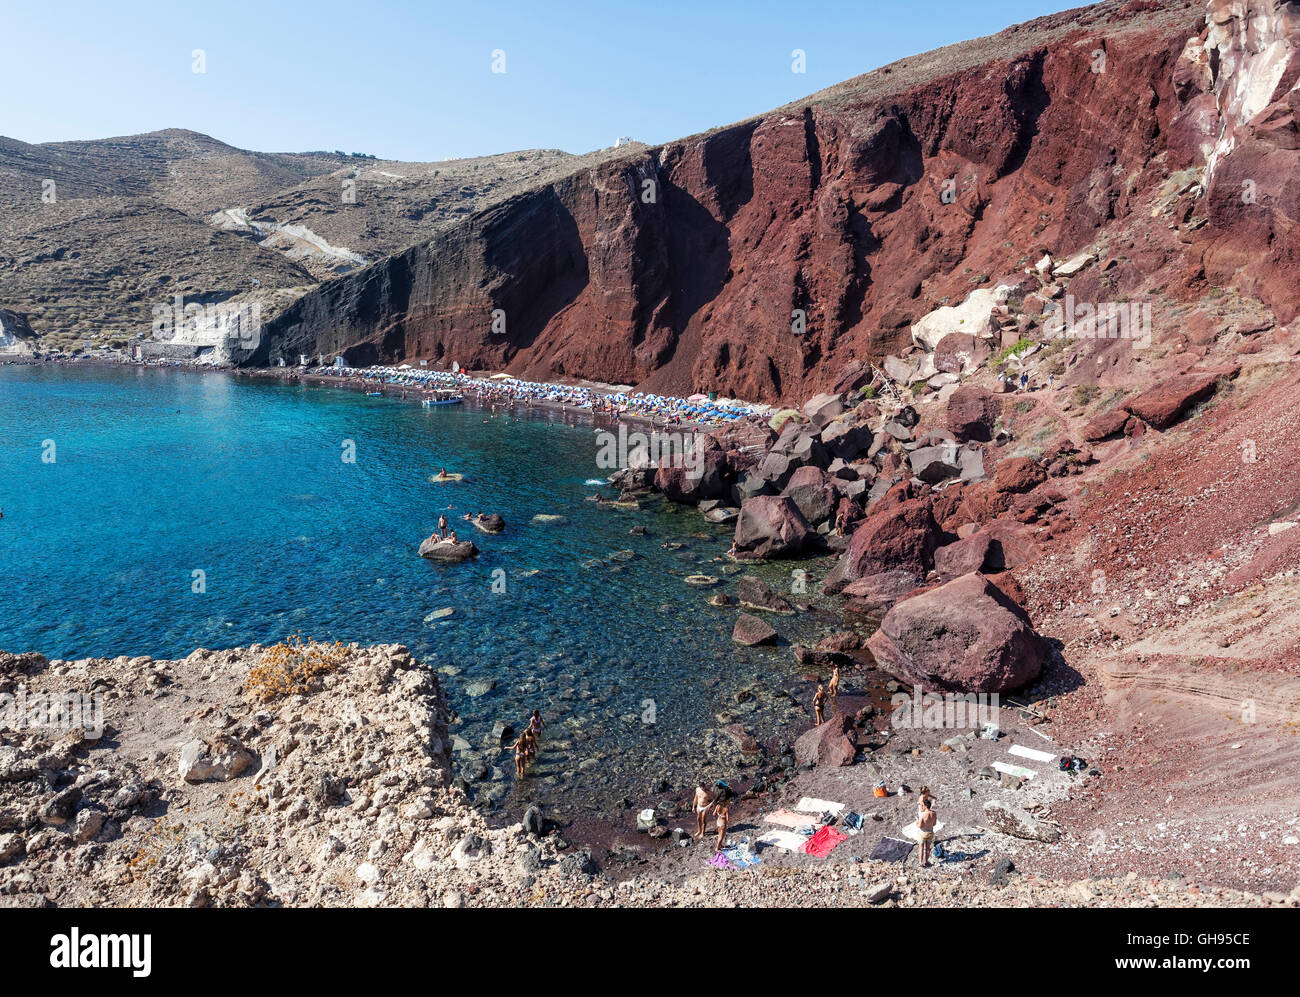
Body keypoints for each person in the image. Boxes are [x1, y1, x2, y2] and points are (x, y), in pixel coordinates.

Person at [918, 796, 937, 867]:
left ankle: (920, 862)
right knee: (928, 848)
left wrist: (917, 823)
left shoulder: (923, 815)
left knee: (921, 848)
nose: (922, 806)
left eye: (923, 805)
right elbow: (934, 824)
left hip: (923, 833)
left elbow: (920, 825)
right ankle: (926, 861)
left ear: (925, 806)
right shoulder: (934, 813)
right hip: (930, 832)